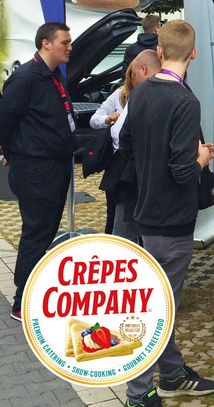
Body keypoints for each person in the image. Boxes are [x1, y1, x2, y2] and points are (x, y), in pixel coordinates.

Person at [119, 20, 214, 407]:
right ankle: (139, 393)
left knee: (158, 300)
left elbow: (126, 144)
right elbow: (182, 172)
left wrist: (153, 164)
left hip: (147, 215)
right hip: (173, 221)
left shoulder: (141, 91)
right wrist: (201, 159)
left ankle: (173, 372)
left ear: (159, 52)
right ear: (193, 53)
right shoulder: (185, 101)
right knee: (159, 311)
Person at [0, 23, 77, 322]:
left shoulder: (54, 74)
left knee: (44, 233)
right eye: (64, 42)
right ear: (46, 43)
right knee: (35, 234)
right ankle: (21, 302)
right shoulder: (25, 78)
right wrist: (12, 153)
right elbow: (5, 121)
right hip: (36, 169)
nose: (70, 47)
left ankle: (33, 291)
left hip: (56, 166)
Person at [90, 50, 161, 238]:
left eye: (135, 74)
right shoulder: (122, 94)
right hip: (120, 168)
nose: (134, 79)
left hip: (133, 171)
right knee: (117, 219)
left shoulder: (148, 96)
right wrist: (108, 120)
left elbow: (126, 137)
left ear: (143, 70)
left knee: (129, 226)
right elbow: (98, 121)